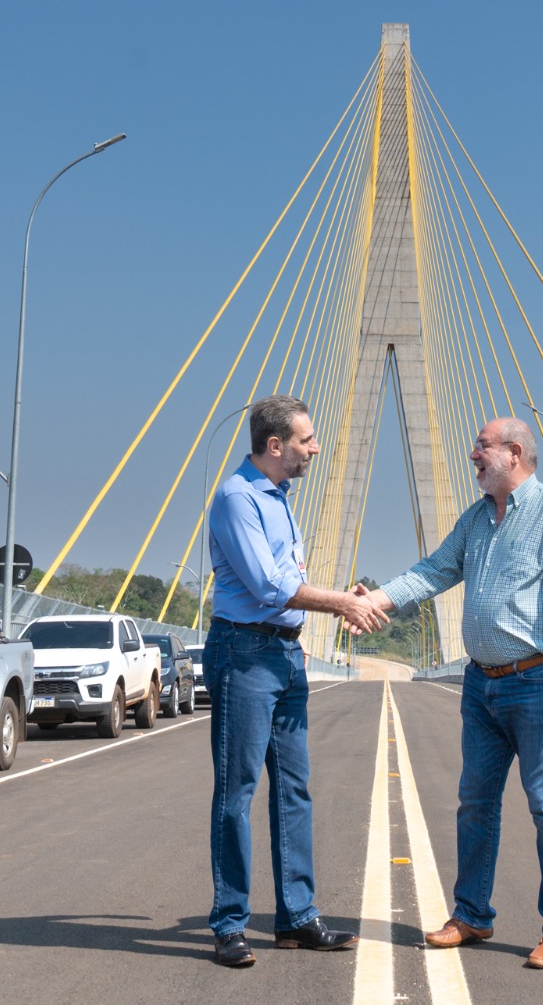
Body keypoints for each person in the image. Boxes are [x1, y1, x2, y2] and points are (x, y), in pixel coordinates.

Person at [354, 416, 543, 969]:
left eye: (482, 447)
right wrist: (376, 601)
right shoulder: (475, 521)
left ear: (514, 453)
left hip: (538, 682)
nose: (473, 456)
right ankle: (471, 915)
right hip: (482, 685)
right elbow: (433, 572)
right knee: (475, 804)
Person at [204, 394, 389, 968]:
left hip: (285, 655)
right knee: (237, 792)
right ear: (276, 445)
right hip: (244, 654)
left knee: (294, 790)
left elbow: (290, 580)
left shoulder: (281, 499)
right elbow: (266, 586)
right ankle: (230, 924)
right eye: (307, 440)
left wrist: (334, 603)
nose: (316, 448)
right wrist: (342, 605)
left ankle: (297, 918)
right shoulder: (237, 498)